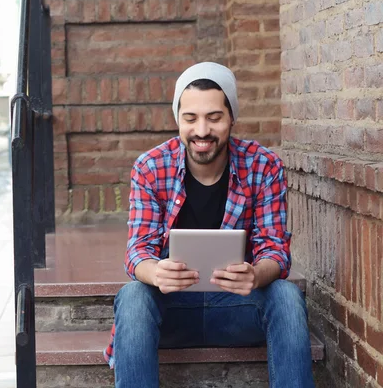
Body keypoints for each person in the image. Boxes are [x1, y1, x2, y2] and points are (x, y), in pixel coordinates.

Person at [104, 62, 315, 388]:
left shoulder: (263, 165)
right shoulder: (150, 167)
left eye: (214, 117)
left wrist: (256, 275)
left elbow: (275, 249)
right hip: (172, 311)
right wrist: (156, 273)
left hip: (237, 306)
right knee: (133, 296)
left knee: (286, 296)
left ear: (232, 117)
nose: (202, 130)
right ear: (178, 120)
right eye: (191, 118)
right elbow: (137, 252)